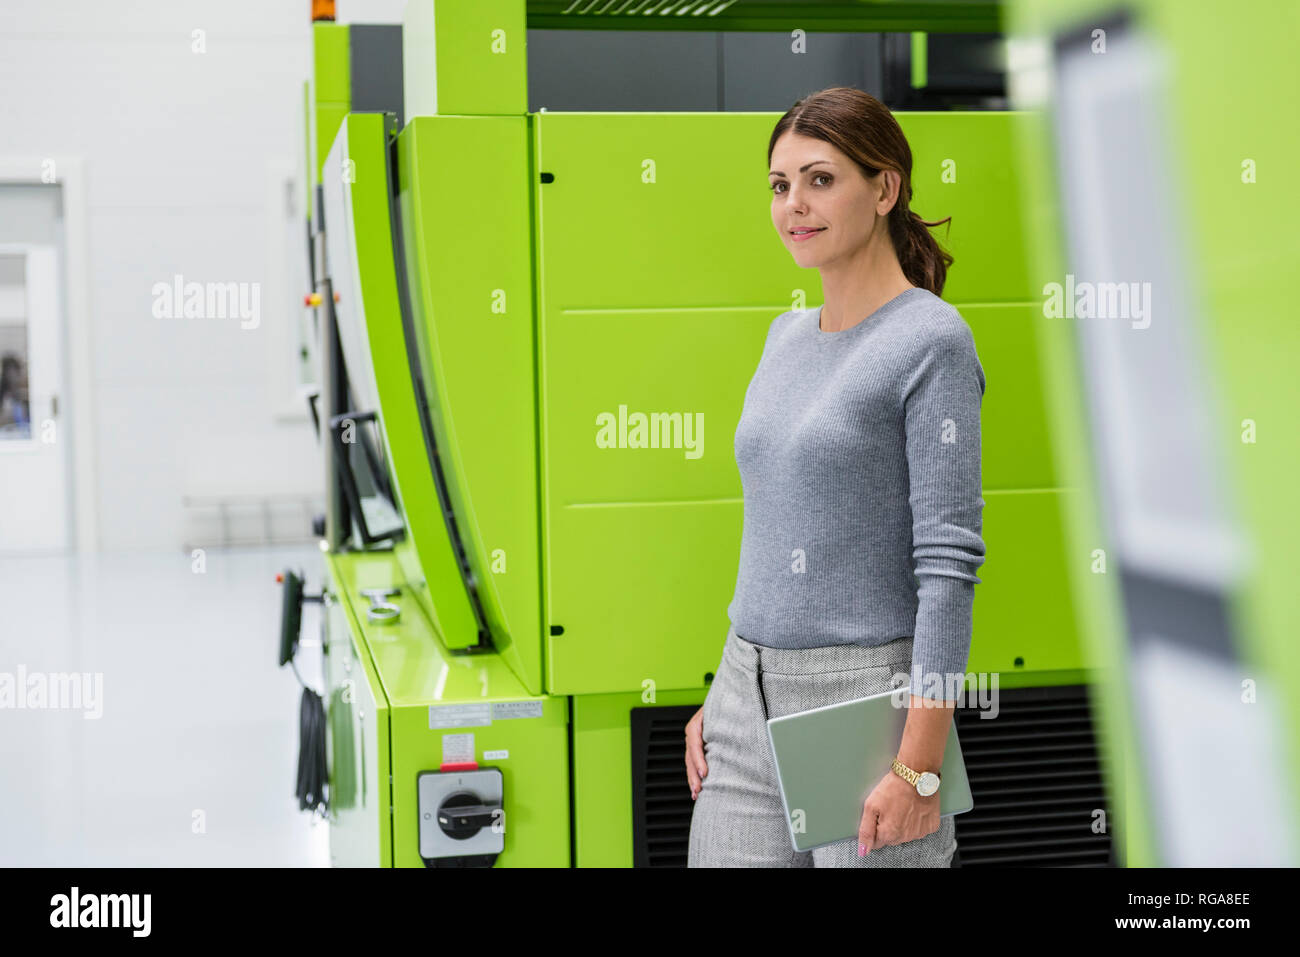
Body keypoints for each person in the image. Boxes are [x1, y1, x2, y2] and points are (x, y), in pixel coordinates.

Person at [685, 87, 987, 867]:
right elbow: (774, 524)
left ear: (884, 189)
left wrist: (918, 762)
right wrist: (726, 688)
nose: (795, 205)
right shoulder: (782, 337)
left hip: (865, 710)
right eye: (781, 185)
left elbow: (947, 565)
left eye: (821, 179)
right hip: (744, 696)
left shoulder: (931, 340)